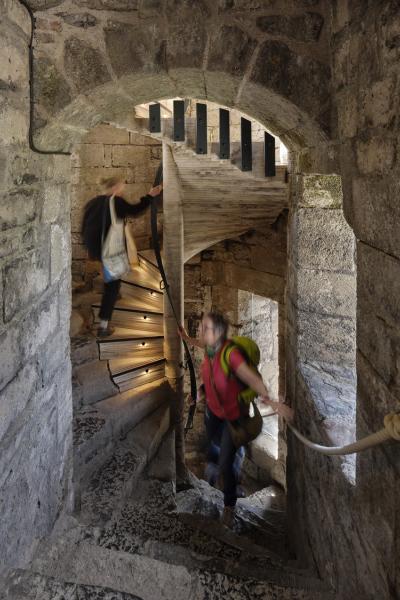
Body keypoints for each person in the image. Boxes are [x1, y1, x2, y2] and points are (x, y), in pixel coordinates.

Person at [179, 312, 294, 527]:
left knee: (225, 465)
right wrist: (199, 394)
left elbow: (254, 380)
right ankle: (233, 456)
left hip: (231, 420)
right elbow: (211, 378)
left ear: (220, 333)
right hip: (213, 415)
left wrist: (274, 403)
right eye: (202, 327)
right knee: (212, 446)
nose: (202, 332)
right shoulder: (210, 350)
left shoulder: (231, 355)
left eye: (207, 329)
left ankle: (229, 507)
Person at [82, 176, 162, 337]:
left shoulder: (92, 203)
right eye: (121, 186)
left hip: (100, 252)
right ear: (115, 188)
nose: (122, 189)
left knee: (111, 283)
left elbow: (84, 228)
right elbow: (135, 211)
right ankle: (103, 326)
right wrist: (150, 196)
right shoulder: (116, 202)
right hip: (110, 254)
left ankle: (111, 294)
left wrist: (94, 251)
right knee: (111, 288)